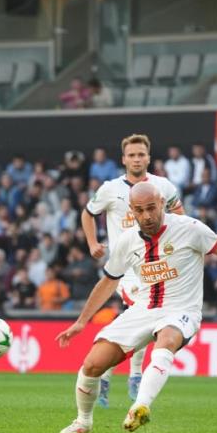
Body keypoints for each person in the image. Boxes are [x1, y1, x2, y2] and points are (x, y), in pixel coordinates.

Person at [57, 182, 217, 433]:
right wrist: (82, 321)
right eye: (139, 211)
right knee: (92, 365)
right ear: (132, 211)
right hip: (143, 309)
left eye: (151, 208)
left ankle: (140, 407)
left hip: (181, 309)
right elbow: (108, 281)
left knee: (167, 340)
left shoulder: (190, 228)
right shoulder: (127, 241)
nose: (147, 216)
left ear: (162, 203)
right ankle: (83, 422)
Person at [81, 133, 183, 407]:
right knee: (144, 310)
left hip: (158, 266)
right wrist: (92, 243)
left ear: (148, 157)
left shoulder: (163, 186)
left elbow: (180, 218)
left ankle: (108, 373)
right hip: (126, 270)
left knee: (142, 318)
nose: (137, 159)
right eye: (132, 155)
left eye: (141, 154)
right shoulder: (110, 189)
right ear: (124, 159)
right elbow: (88, 213)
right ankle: (134, 375)